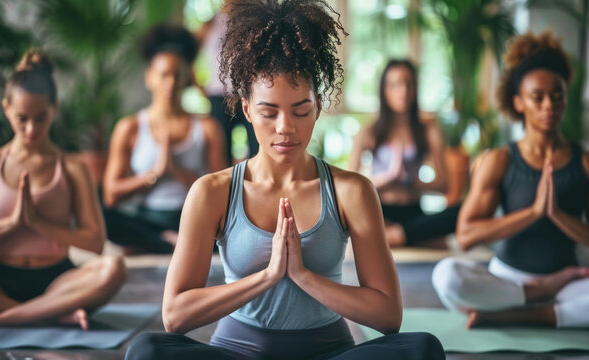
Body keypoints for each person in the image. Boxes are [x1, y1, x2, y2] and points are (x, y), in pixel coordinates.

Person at [125, 0, 445, 359]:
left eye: (300, 110)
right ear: (246, 108)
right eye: (268, 112)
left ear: (318, 107)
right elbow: (175, 315)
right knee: (147, 350)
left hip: (329, 353)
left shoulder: (351, 190)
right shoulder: (212, 192)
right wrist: (267, 276)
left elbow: (388, 316)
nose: (285, 128)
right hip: (238, 353)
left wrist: (304, 276)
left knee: (422, 349)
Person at [432, 31, 589, 328]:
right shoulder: (500, 160)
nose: (548, 105)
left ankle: (522, 315)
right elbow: (466, 235)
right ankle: (537, 300)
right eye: (537, 97)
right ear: (519, 102)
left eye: (557, 95)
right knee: (446, 275)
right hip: (506, 280)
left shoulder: (587, 163)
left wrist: (558, 216)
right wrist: (533, 213)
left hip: (566, 283)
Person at [0, 50, 126, 329]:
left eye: (41, 118)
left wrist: (38, 224)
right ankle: (50, 315)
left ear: (54, 109)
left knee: (114, 269)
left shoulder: (73, 168)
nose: (30, 130)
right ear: (6, 109)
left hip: (57, 283)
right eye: (21, 118)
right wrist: (10, 224)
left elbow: (96, 242)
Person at [102, 24, 227, 254]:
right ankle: (171, 242)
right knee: (103, 216)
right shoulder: (129, 127)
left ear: (186, 78)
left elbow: (222, 193)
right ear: (150, 77)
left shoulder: (207, 127)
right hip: (147, 218)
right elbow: (111, 194)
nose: (170, 82)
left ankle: (174, 241)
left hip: (190, 216)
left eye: (176, 75)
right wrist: (156, 174)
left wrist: (176, 171)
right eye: (163, 75)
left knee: (229, 224)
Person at [349, 59, 459, 248]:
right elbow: (351, 186)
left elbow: (444, 184)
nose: (403, 91)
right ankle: (402, 236)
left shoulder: (429, 131)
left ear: (416, 88)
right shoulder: (368, 132)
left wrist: (409, 180)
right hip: (379, 210)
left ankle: (396, 235)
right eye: (395, 85)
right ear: (384, 90)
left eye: (408, 84)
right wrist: (389, 177)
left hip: (413, 211)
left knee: (460, 211)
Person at [197, 0, 259, 164]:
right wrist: (198, 86)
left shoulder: (255, 20)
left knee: (258, 148)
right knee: (219, 154)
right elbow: (188, 56)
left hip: (249, 94)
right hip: (219, 97)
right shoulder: (209, 24)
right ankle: (223, 188)